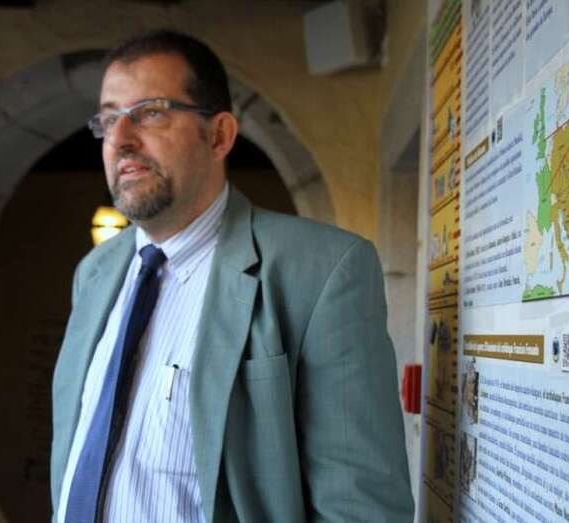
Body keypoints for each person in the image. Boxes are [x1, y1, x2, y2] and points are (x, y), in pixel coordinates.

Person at [51, 29, 414, 523]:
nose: (121, 139)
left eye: (151, 112)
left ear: (219, 135)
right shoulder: (94, 273)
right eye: (110, 118)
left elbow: (360, 509)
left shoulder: (324, 271)